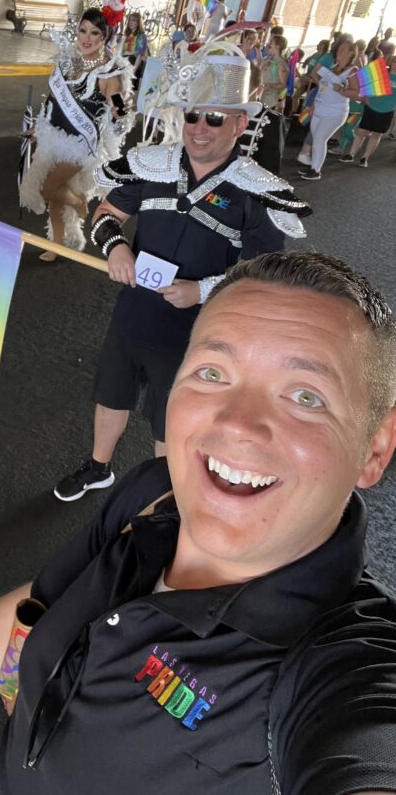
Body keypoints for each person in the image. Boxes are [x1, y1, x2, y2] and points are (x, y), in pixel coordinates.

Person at [0, 250, 396, 795]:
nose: (239, 423)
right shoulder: (153, 493)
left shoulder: (341, 667)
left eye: (305, 396)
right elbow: (35, 609)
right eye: (212, 372)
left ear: (375, 448)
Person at [52, 39, 309, 501]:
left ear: (239, 123)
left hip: (199, 331)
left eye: (214, 117)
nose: (200, 128)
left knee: (172, 419)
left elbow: (265, 275)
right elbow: (105, 214)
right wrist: (115, 250)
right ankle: (98, 468)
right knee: (111, 393)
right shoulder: (153, 165)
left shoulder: (257, 190)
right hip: (133, 312)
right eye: (192, 115)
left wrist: (204, 290)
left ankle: (161, 499)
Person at [19, 9, 133, 260]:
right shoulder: (70, 61)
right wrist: (38, 127)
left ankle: (79, 203)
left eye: (94, 33)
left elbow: (119, 106)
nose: (86, 38)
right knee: (55, 203)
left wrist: (120, 109)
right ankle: (56, 246)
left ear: (104, 37)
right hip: (53, 139)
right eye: (83, 30)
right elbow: (53, 102)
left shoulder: (109, 74)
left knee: (47, 189)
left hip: (80, 147)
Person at [297, 33, 358, 180]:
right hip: (319, 108)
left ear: (351, 53)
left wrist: (342, 90)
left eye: (343, 50)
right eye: (339, 49)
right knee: (317, 138)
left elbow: (356, 92)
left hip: (335, 113)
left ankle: (316, 170)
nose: (339, 52)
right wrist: (312, 105)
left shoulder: (352, 70)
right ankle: (313, 166)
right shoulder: (333, 66)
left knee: (319, 139)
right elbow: (322, 88)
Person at [341, 42, 396, 167]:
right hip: (372, 106)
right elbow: (365, 83)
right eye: (395, 62)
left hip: (387, 110)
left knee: (376, 134)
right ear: (391, 63)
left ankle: (364, 158)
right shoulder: (381, 73)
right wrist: (365, 96)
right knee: (361, 131)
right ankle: (351, 154)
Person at [121, 11, 149, 87]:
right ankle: (117, 99)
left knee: (130, 91)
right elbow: (122, 52)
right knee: (120, 88)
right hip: (124, 63)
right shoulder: (127, 34)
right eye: (129, 20)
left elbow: (139, 55)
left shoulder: (141, 36)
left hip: (134, 64)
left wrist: (133, 71)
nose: (131, 22)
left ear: (138, 23)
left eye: (134, 20)